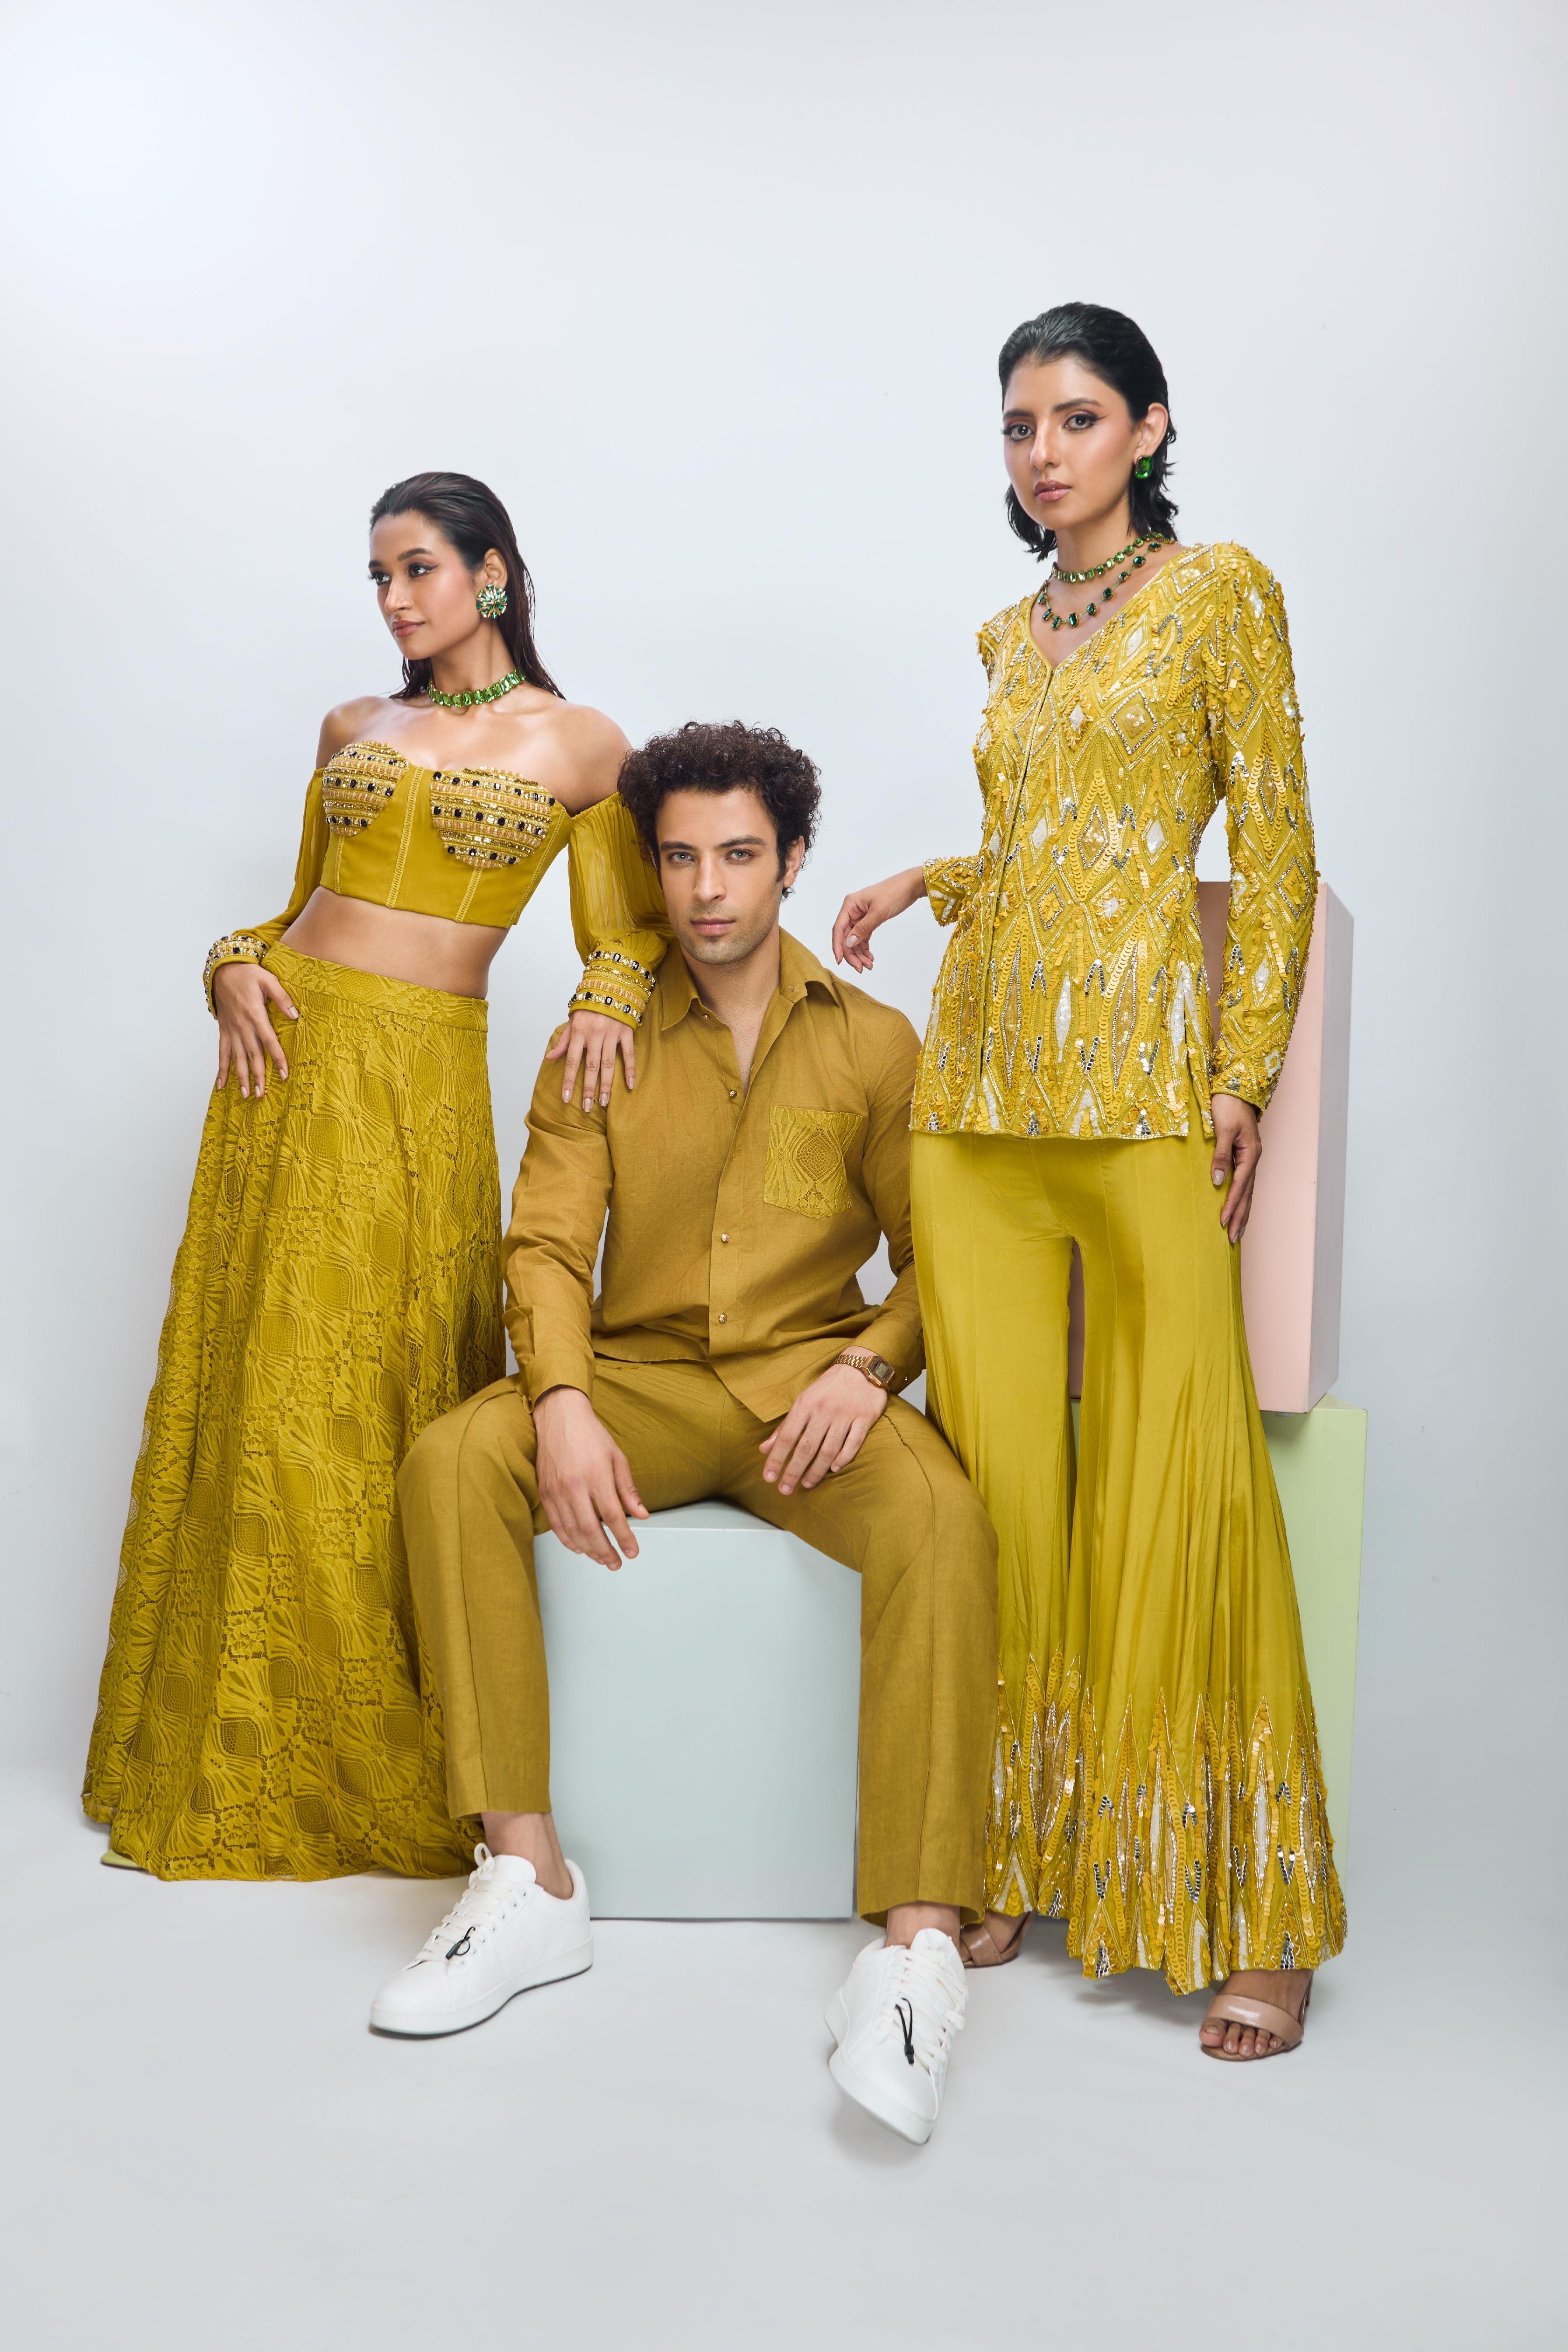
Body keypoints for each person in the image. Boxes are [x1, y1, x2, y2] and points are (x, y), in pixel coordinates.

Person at [831, 304, 1346, 2061]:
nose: (1042, 452)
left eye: (1075, 418)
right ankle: (1018, 1856)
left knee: (1185, 1477)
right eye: (1018, 426)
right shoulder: (1011, 628)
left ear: (1150, 427)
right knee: (1003, 1494)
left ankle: (1257, 1914)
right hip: (979, 1099)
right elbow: (1062, 847)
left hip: (1139, 1097)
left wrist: (1240, 1072)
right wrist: (937, 877)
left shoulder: (1223, 594)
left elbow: (1271, 842)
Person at [375, 721, 997, 2146]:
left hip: (810, 1394)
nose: (707, 888)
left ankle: (914, 1957)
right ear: (650, 869)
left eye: (738, 855)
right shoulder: (599, 1037)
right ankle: (529, 1881)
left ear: (792, 862)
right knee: (452, 1460)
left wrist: (870, 1368)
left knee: (944, 1521)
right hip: (641, 1382)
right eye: (678, 858)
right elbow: (546, 1246)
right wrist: (562, 1400)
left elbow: (937, 1258)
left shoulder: (875, 1043)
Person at [83, 472, 666, 1883]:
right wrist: (229, 967)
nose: (397, 600)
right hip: (285, 1066)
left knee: (368, 1394)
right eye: (380, 578)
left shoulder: (581, 744)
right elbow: (290, 914)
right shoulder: (354, 726)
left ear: (492, 574)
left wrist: (608, 997)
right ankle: (227, 1739)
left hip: (417, 1082)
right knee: (262, 1390)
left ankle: (370, 1750)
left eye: (418, 570)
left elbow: (631, 933)